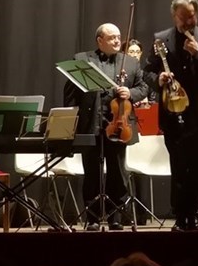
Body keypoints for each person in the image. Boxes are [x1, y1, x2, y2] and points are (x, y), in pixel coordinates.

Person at [144, 0, 198, 231]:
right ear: (174, 16)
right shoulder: (161, 39)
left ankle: (194, 215)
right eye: (183, 17)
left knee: (197, 168)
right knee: (178, 167)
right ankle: (181, 218)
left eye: (192, 16)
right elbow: (147, 72)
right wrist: (158, 79)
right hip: (172, 114)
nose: (189, 22)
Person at [63, 23, 147, 231]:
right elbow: (70, 94)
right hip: (91, 124)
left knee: (118, 172)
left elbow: (143, 87)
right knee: (91, 172)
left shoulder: (130, 62)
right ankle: (91, 217)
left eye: (119, 37)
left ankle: (115, 217)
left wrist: (131, 93)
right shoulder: (82, 60)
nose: (118, 41)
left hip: (120, 124)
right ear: (100, 41)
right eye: (112, 38)